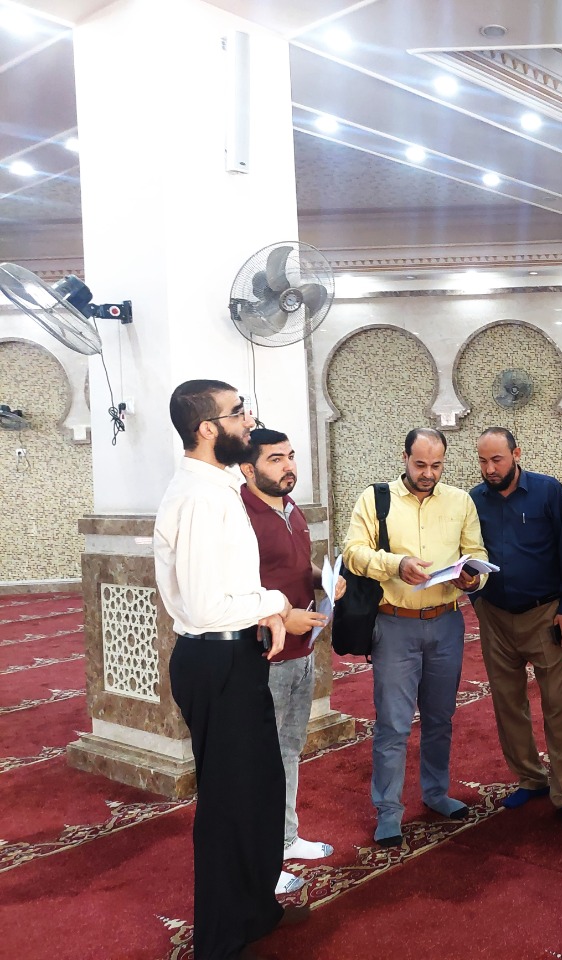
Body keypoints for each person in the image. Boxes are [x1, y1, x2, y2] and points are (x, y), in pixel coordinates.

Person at [154, 381, 307, 959]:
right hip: (215, 658)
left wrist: (263, 605)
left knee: (257, 791)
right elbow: (203, 606)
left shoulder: (218, 485)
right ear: (207, 429)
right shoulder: (200, 496)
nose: (248, 420)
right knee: (228, 803)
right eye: (238, 412)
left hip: (234, 653)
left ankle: (255, 912)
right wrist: (277, 605)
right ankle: (219, 940)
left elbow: (229, 586)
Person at [343, 427, 488, 847]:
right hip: (394, 625)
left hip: (446, 623)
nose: (428, 473)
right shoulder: (375, 499)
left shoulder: (460, 501)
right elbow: (353, 552)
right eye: (420, 464)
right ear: (404, 457)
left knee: (440, 718)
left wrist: (471, 579)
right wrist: (395, 564)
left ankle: (436, 793)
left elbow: (477, 555)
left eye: (436, 465)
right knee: (393, 723)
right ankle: (388, 811)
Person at [239, 428, 346, 894]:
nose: (289, 466)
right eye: (276, 459)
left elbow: (297, 568)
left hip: (302, 652)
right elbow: (239, 591)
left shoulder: (290, 508)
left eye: (291, 456)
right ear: (248, 468)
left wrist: (325, 579)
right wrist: (285, 615)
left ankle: (285, 838)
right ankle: (261, 862)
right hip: (266, 658)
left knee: (288, 751)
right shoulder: (239, 515)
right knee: (261, 761)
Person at [469, 427, 562, 828]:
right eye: (483, 461)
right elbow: (467, 555)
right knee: (508, 703)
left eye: (497, 459)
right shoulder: (473, 500)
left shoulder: (547, 491)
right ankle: (530, 778)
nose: (489, 468)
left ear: (516, 454)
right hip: (495, 616)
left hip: (545, 614)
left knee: (556, 704)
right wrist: (478, 602)